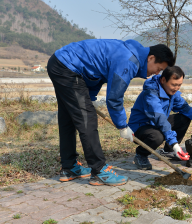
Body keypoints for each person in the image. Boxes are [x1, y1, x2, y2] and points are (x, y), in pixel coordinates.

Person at [47, 40, 174, 186]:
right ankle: (99, 170)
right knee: (87, 120)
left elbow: (98, 74)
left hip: (60, 62)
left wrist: (92, 97)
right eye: (158, 68)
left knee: (68, 118)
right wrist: (122, 126)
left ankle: (69, 167)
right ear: (151, 58)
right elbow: (114, 98)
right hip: (68, 68)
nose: (156, 73)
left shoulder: (129, 53)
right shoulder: (129, 61)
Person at [128, 66, 192, 169]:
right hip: (139, 127)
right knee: (157, 136)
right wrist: (174, 143)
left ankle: (168, 151)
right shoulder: (151, 93)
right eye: (174, 85)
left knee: (183, 118)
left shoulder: (172, 93)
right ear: (163, 80)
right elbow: (160, 119)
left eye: (179, 85)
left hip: (156, 124)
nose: (176, 88)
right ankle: (141, 155)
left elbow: (185, 108)